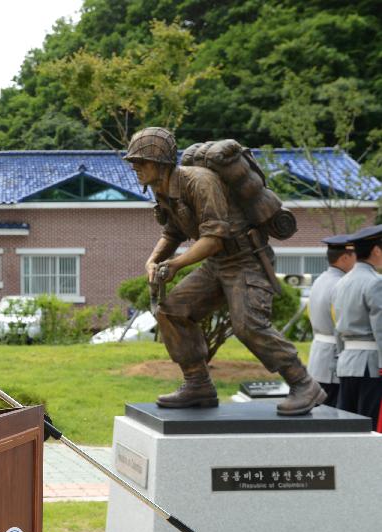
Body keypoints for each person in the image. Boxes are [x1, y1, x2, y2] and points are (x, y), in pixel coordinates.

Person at [124, 127, 325, 416]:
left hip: (247, 260)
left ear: (159, 163)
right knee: (172, 310)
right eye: (133, 163)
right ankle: (198, 384)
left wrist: (176, 264)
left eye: (140, 162)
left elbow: (213, 238)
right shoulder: (164, 190)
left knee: (249, 325)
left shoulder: (200, 182)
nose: (136, 169)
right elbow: (172, 232)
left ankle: (303, 383)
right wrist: (153, 260)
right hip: (217, 264)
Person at [332, 224, 382, 426]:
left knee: (349, 424)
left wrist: (341, 354)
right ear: (376, 251)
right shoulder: (375, 282)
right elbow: (380, 328)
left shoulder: (341, 282)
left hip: (346, 363)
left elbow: (337, 324)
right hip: (370, 366)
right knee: (368, 424)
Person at [307, 234, 356, 406]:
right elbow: (341, 326)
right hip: (333, 360)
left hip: (319, 357)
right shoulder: (341, 284)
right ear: (344, 257)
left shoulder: (320, 280)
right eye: (355, 256)